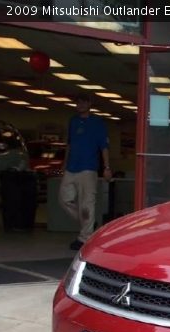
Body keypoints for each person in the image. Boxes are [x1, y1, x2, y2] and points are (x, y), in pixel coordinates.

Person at [59, 93, 112, 250]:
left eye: (83, 102)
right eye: (78, 102)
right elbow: (70, 144)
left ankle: (84, 237)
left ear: (89, 104)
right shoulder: (73, 121)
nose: (80, 105)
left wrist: (107, 167)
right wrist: (64, 163)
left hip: (88, 169)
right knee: (64, 199)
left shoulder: (98, 123)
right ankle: (88, 223)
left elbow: (104, 147)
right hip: (71, 167)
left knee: (87, 204)